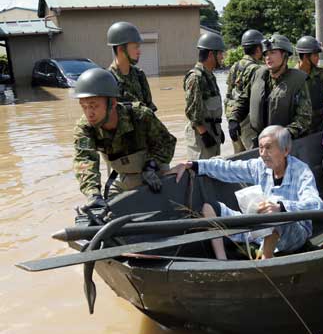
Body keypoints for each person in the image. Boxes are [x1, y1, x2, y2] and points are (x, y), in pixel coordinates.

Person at [168, 125, 323, 259]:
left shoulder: (301, 171)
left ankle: (266, 260)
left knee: (273, 214)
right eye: (260, 148)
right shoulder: (259, 166)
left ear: (286, 150)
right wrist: (192, 164)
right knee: (210, 208)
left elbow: (315, 204)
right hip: (261, 229)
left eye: (268, 147)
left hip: (293, 234)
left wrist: (281, 207)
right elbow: (227, 168)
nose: (262, 153)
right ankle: (222, 261)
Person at [73, 68, 176, 208]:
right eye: (84, 107)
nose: (89, 113)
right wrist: (93, 193)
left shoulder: (140, 116)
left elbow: (167, 142)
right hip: (124, 178)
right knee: (107, 213)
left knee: (167, 208)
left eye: (94, 106)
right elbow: (85, 160)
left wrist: (151, 166)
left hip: (154, 175)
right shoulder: (85, 127)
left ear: (113, 103)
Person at [228, 34, 312, 145]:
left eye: (272, 53)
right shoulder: (258, 74)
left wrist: (284, 134)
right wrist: (234, 118)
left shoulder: (298, 80)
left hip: (284, 143)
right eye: (266, 54)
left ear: (285, 55)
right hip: (259, 140)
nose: (268, 57)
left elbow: (304, 119)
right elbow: (244, 100)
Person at [184, 32, 226, 159]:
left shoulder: (209, 75)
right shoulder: (196, 77)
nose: (222, 57)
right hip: (201, 136)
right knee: (201, 174)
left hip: (212, 132)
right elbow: (192, 111)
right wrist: (204, 134)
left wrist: (218, 130)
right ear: (210, 55)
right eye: (219, 54)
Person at [226, 29, 265, 152]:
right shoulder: (257, 69)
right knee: (253, 154)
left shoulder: (235, 66)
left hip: (233, 118)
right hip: (247, 119)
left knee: (238, 156)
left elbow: (229, 92)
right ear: (258, 49)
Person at [106, 21, 157, 111]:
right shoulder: (107, 79)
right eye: (135, 47)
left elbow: (150, 111)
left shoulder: (139, 75)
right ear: (121, 49)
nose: (139, 51)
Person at [295, 35, 323, 133]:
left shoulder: (322, 73)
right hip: (299, 130)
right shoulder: (291, 77)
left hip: (320, 126)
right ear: (306, 57)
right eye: (315, 55)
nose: (318, 58)